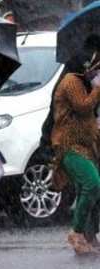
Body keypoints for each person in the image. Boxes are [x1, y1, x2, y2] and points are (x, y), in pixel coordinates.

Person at [50, 49, 100, 255]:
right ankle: (77, 232)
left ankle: (82, 237)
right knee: (92, 183)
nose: (94, 70)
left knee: (85, 189)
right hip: (69, 145)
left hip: (85, 144)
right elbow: (83, 106)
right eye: (92, 66)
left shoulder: (80, 82)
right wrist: (98, 88)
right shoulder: (71, 81)